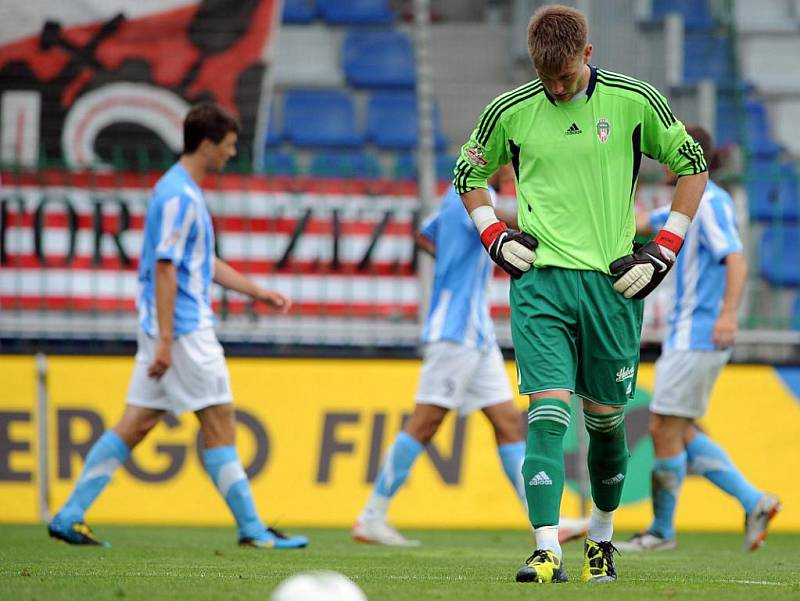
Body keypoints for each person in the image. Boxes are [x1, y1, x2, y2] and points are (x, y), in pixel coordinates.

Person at [453, 4, 708, 584]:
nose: (557, 86)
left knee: (606, 425)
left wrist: (665, 248)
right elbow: (465, 173)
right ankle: (546, 549)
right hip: (541, 284)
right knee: (544, 416)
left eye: (566, 75)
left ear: (587, 55)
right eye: (547, 77)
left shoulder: (634, 101)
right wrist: (492, 232)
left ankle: (600, 538)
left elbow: (694, 168)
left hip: (613, 288)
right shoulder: (510, 111)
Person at [47, 102, 308, 550]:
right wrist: (168, 341)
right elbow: (166, 269)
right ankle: (253, 530)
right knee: (220, 422)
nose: (230, 154)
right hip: (183, 331)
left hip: (165, 329)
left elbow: (199, 263)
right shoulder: (179, 197)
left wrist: (257, 292)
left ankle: (70, 514)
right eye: (227, 146)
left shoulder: (178, 191)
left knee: (137, 422)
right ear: (206, 144)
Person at [352, 165, 589, 547]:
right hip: (455, 328)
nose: (515, 164)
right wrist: (552, 215)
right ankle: (371, 516)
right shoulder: (476, 194)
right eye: (510, 157)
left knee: (508, 424)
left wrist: (456, 260)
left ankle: (546, 522)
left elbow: (425, 235)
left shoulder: (453, 195)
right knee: (426, 421)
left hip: (476, 332)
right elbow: (505, 223)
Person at [617, 125, 781, 553]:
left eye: (668, 152)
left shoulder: (710, 202)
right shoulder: (686, 204)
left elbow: (736, 259)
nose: (663, 160)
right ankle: (753, 501)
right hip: (686, 335)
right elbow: (636, 224)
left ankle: (661, 531)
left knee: (662, 427)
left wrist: (728, 315)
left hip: (700, 333)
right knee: (680, 429)